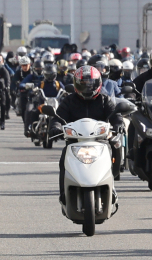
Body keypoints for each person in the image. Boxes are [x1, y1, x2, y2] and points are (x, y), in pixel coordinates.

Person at [48, 66, 124, 204]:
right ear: (76, 84)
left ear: (98, 83)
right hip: (75, 141)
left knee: (116, 145)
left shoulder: (104, 99)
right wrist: (55, 127)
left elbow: (115, 115)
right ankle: (64, 194)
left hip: (100, 140)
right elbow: (58, 118)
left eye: (91, 84)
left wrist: (119, 124)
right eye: (83, 84)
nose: (87, 87)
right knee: (63, 158)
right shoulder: (69, 100)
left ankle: (112, 183)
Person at [25, 64, 64, 139]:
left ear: (55, 74)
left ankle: (63, 130)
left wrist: (66, 92)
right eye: (48, 75)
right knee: (33, 112)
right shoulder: (42, 83)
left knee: (63, 114)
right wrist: (33, 91)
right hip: (43, 105)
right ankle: (31, 129)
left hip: (55, 105)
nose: (49, 77)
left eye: (51, 75)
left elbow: (64, 90)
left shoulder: (58, 84)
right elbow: (35, 89)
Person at [19, 60, 45, 136]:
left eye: (40, 68)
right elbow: (22, 84)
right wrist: (26, 86)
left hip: (44, 100)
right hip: (33, 99)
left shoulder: (46, 77)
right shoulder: (30, 76)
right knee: (29, 110)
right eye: (37, 68)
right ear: (34, 69)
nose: (39, 70)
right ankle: (27, 129)